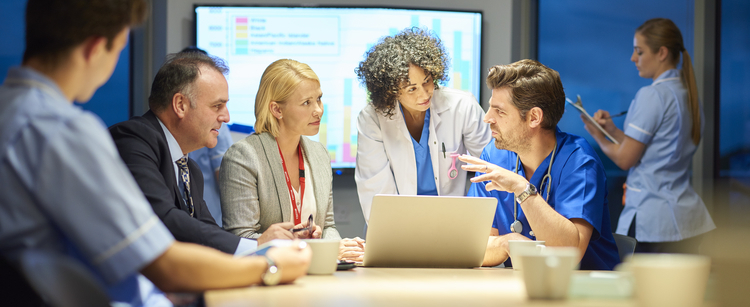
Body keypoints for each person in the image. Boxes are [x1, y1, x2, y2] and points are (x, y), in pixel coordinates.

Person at [0, 1, 310, 306]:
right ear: (95, 48)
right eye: (119, 48)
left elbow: (202, 237)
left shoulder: (13, 110)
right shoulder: (62, 129)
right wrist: (270, 264)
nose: (226, 117)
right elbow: (163, 263)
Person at [110, 51, 296, 254]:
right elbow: (162, 219)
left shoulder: (190, 169)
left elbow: (209, 234)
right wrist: (257, 246)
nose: (226, 117)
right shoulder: (133, 140)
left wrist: (265, 243)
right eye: (217, 106)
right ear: (180, 105)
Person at [460, 59, 620, 270]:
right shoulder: (495, 156)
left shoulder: (579, 162)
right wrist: (508, 242)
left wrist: (522, 188)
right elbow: (472, 247)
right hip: (525, 289)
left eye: (499, 111)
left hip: (584, 292)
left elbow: (569, 253)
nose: (487, 118)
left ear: (534, 117)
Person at [581, 18, 715, 253]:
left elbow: (626, 159)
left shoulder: (652, 95)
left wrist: (597, 135)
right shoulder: (689, 96)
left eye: (639, 51)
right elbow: (652, 149)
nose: (633, 58)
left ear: (662, 52)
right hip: (687, 218)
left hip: (653, 220)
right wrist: (611, 130)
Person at [220, 59, 365, 262]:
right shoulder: (243, 157)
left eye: (319, 99)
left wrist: (343, 250)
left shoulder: (319, 153)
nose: (318, 110)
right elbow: (241, 239)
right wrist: (317, 250)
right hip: (267, 279)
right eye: (307, 102)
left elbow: (328, 226)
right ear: (277, 110)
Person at [354, 27, 491, 222]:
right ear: (391, 91)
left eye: (427, 82)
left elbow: (491, 168)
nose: (424, 94)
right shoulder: (373, 118)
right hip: (397, 225)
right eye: (411, 89)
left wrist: (474, 218)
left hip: (453, 220)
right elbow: (377, 191)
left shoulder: (462, 106)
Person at [181, 46, 236, 227]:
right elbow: (227, 178)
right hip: (205, 221)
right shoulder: (215, 122)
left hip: (204, 221)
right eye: (216, 105)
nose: (225, 117)